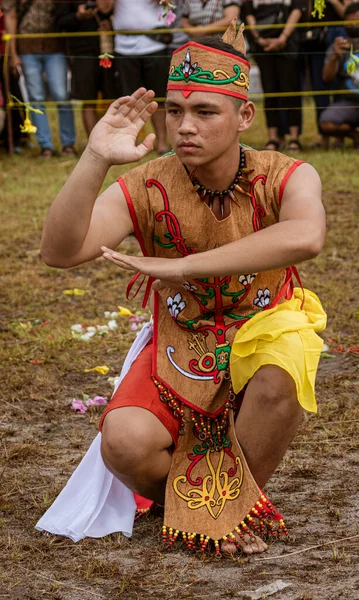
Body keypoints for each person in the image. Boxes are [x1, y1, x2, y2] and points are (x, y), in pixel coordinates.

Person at [38, 20, 326, 556]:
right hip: (179, 344)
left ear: (244, 116)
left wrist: (185, 266)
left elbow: (307, 235)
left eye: (204, 112)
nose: (184, 126)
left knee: (281, 366)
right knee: (122, 442)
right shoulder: (148, 184)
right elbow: (59, 251)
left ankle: (227, 505)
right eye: (174, 111)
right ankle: (199, 507)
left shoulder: (285, 173)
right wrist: (96, 156)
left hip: (260, 339)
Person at [3, 0, 76, 157]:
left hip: (55, 47)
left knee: (61, 94)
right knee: (36, 97)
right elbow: (11, 16)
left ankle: (68, 144)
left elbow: (65, 12)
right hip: (26, 48)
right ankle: (45, 146)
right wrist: (13, 53)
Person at [112, 0, 173, 155]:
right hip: (123, 47)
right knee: (129, 99)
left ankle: (161, 142)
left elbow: (167, 2)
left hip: (155, 44)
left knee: (159, 97)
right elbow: (103, 7)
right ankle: (130, 141)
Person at [243, 0, 305, 151]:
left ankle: (294, 137)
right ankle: (273, 137)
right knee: (269, 90)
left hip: (287, 45)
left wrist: (283, 38)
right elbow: (248, 12)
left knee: (290, 88)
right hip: (262, 46)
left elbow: (297, 11)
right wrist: (258, 38)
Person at [55, 0, 116, 138]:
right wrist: (78, 16)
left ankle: (113, 139)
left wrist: (110, 23)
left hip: (109, 49)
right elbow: (60, 22)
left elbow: (119, 14)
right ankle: (94, 142)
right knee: (88, 99)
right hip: (82, 52)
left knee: (112, 98)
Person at [319, 2, 359, 146]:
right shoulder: (339, 46)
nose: (354, 24)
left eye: (357, 19)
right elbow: (326, 78)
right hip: (349, 101)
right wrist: (335, 56)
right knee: (326, 123)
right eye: (350, 20)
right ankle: (355, 136)